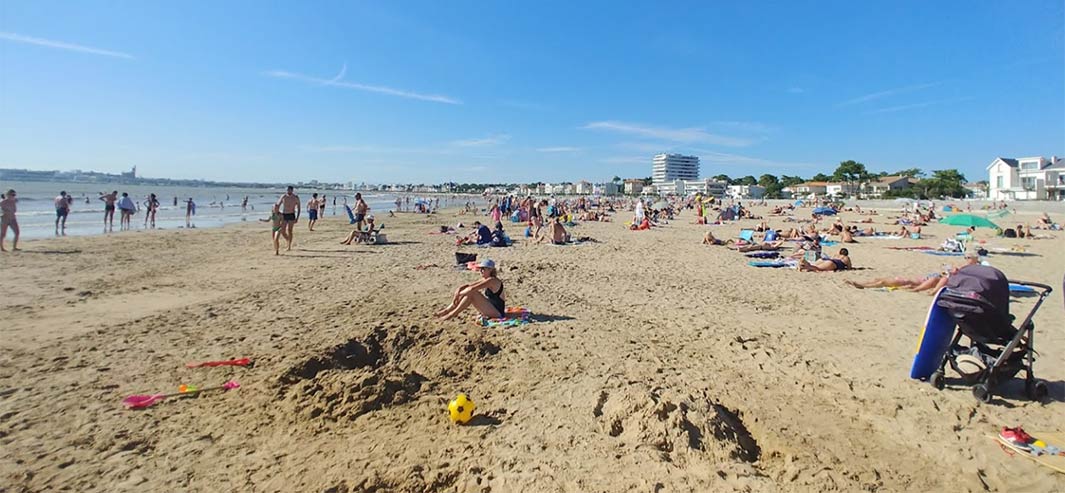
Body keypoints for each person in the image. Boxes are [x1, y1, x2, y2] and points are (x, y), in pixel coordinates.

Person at [434, 259, 505, 321]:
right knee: (469, 292)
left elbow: (472, 288)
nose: (481, 271)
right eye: (480, 269)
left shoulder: (492, 280)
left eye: (483, 269)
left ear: (490, 270)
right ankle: (446, 311)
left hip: (497, 312)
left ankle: (451, 314)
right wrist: (458, 290)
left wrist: (459, 294)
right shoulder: (486, 279)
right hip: (491, 307)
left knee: (472, 293)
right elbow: (469, 285)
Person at [276, 186, 301, 251]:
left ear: (292, 190)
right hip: (284, 215)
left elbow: (299, 208)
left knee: (290, 230)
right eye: (287, 190)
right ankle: (288, 239)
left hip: (291, 215)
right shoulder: (283, 196)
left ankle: (289, 246)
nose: (288, 191)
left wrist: (297, 218)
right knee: (282, 231)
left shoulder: (295, 197)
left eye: (289, 190)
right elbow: (278, 205)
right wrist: (277, 213)